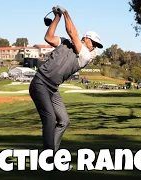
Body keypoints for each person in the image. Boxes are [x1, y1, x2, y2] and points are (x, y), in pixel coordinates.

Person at [29, 5, 103, 170]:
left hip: (52, 88)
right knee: (49, 119)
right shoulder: (65, 42)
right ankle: (48, 161)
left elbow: (72, 32)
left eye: (97, 45)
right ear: (87, 38)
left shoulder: (85, 55)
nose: (95, 47)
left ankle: (52, 156)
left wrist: (66, 13)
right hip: (40, 83)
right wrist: (57, 18)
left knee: (64, 121)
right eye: (95, 43)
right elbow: (49, 37)